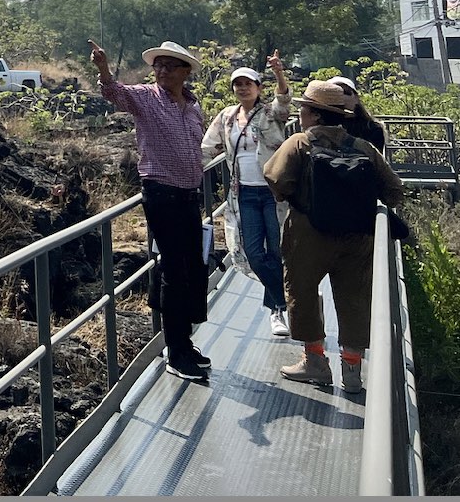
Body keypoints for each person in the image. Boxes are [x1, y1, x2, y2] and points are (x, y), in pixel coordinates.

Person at [263, 79, 405, 391]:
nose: (301, 114)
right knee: (354, 297)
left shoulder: (299, 143)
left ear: (314, 115)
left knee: (301, 291)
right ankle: (352, 372)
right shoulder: (363, 147)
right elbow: (394, 190)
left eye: (304, 110)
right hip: (358, 237)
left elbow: (276, 180)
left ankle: (315, 362)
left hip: (308, 233)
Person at [91, 38, 210, 380]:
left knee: (190, 268)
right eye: (158, 65)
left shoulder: (193, 105)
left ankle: (184, 343)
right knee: (174, 270)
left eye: (170, 65)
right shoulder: (146, 97)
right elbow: (113, 92)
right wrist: (102, 68)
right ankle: (176, 353)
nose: (161, 70)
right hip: (162, 194)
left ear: (186, 72)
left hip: (189, 195)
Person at [200, 54, 292, 336]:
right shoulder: (226, 117)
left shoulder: (269, 113)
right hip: (244, 194)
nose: (243, 89)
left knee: (276, 251)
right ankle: (285, 299)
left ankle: (277, 311)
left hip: (273, 192)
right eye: (237, 84)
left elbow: (284, 102)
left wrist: (278, 73)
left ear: (258, 87)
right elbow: (207, 148)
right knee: (252, 252)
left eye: (248, 84)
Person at [329, 75, 389, 149]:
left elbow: (374, 156)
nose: (341, 96)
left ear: (356, 97)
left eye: (345, 92)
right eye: (334, 93)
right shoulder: (322, 124)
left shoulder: (372, 128)